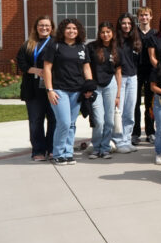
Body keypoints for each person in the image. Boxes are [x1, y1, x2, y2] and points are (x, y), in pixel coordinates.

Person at [42, 18, 95, 165]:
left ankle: (68, 153)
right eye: (68, 28)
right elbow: (47, 68)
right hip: (59, 90)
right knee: (64, 123)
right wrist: (49, 90)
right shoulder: (55, 46)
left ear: (79, 31)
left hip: (77, 91)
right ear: (63, 30)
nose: (71, 31)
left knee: (71, 124)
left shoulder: (82, 48)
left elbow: (86, 68)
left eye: (74, 29)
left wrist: (89, 87)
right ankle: (58, 153)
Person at [16, 15, 55, 161]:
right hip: (32, 89)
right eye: (41, 25)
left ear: (52, 28)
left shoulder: (56, 43)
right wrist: (36, 70)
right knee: (35, 120)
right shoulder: (28, 45)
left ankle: (52, 149)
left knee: (54, 119)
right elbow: (21, 63)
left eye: (47, 25)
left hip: (52, 88)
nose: (44, 28)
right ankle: (38, 150)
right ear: (36, 27)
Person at [86, 21, 122, 159]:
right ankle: (96, 147)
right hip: (95, 86)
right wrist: (88, 86)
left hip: (110, 85)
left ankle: (105, 148)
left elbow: (118, 72)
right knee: (98, 120)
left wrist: (118, 95)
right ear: (99, 34)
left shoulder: (117, 49)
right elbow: (86, 67)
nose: (105, 34)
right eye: (102, 32)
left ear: (112, 33)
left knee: (109, 120)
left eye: (108, 32)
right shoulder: (91, 47)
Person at [114, 13, 142, 154]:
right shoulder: (115, 40)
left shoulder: (135, 40)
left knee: (130, 111)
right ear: (119, 24)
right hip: (119, 77)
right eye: (124, 23)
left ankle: (127, 139)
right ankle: (118, 141)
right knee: (119, 111)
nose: (126, 26)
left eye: (129, 23)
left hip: (133, 77)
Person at [134, 7, 156, 144]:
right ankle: (135, 133)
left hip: (151, 72)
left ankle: (150, 132)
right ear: (138, 18)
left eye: (146, 15)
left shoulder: (155, 34)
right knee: (135, 103)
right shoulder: (133, 33)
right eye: (141, 15)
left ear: (151, 17)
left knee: (150, 103)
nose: (144, 18)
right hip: (135, 71)